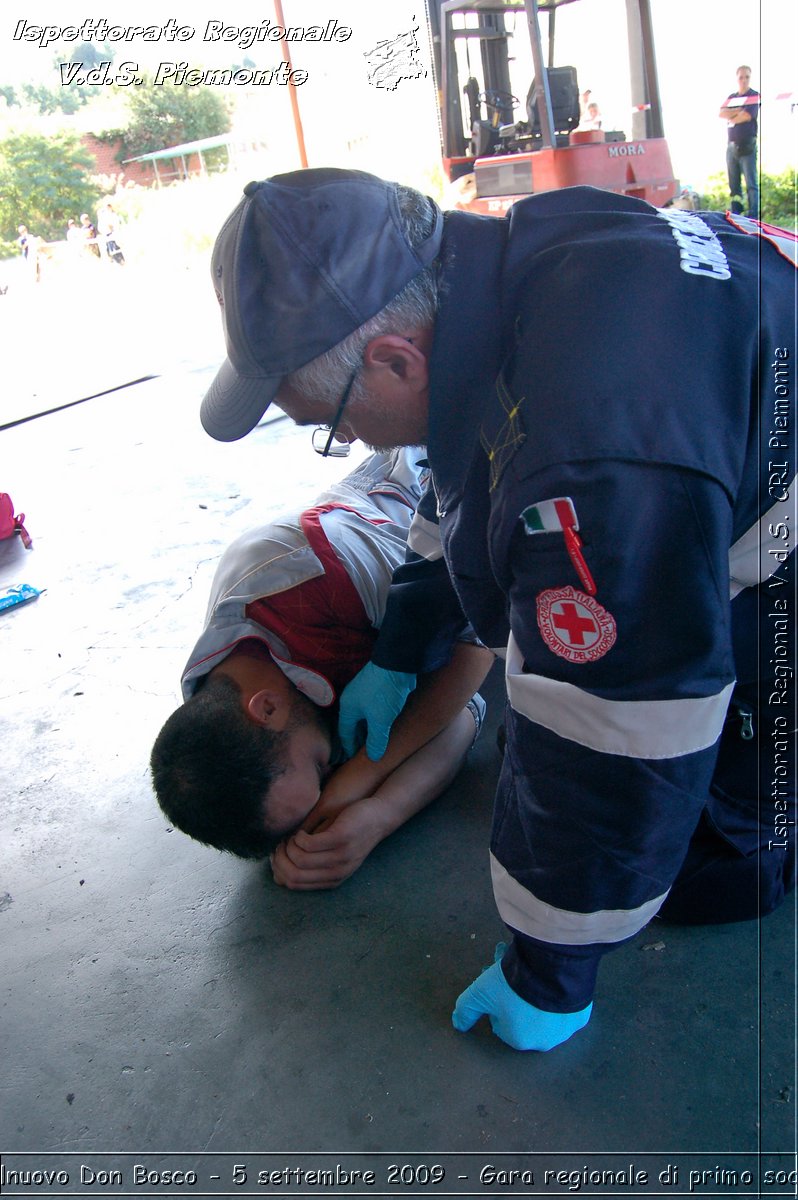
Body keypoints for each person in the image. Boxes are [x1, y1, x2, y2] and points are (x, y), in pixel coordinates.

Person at [197, 168, 796, 1051]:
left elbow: (621, 716)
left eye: (335, 425)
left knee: (705, 858)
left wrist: (549, 968)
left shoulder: (591, 451)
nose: (350, 444)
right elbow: (470, 470)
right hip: (738, 414)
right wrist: (402, 648)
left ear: (397, 360)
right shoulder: (511, 262)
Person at [150, 447, 492, 889]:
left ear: (268, 709)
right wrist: (379, 814)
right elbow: (462, 714)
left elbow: (475, 645)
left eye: (320, 768)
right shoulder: (220, 713)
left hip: (439, 483)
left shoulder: (321, 569)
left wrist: (360, 779)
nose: (334, 776)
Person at [719, 65, 760, 218]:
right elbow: (721, 113)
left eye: (747, 77)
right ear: (737, 79)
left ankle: (754, 215)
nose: (744, 80)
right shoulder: (732, 97)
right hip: (731, 146)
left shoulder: (754, 96)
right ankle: (736, 214)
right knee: (734, 185)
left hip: (747, 146)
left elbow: (747, 116)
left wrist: (733, 114)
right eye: (741, 77)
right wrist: (738, 111)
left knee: (751, 183)